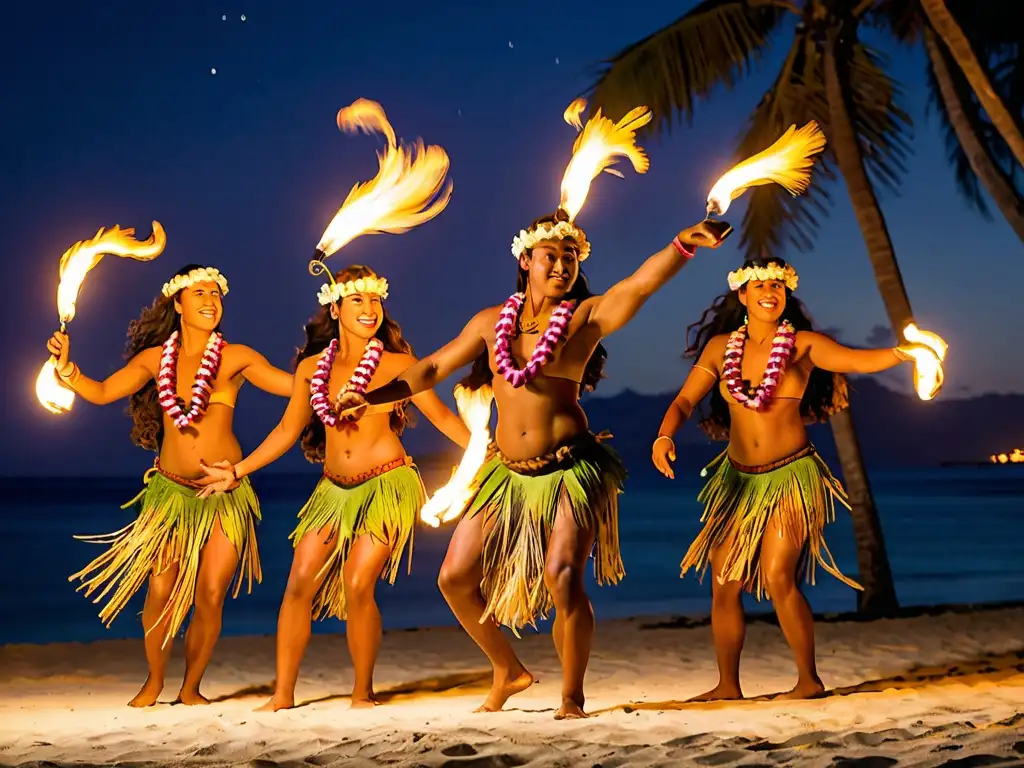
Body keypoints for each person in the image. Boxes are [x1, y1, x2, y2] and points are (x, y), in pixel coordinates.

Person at [652, 256, 931, 702]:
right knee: (724, 581)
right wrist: (665, 436)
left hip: (790, 476)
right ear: (743, 294)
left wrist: (905, 352)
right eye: (760, 285)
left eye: (778, 286)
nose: (770, 292)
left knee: (778, 574)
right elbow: (685, 400)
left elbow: (857, 360)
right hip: (737, 482)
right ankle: (727, 684)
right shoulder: (721, 348)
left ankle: (808, 680)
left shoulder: (802, 345)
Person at [198, 264, 471, 711]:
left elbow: (441, 417)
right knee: (298, 583)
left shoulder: (399, 364)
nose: (370, 308)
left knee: (358, 582)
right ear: (335, 307)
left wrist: (486, 451)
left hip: (387, 483)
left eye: (375, 300)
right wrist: (238, 470)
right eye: (358, 300)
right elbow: (287, 430)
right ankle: (282, 694)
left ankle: (362, 692)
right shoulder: (312, 369)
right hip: (332, 489)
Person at [46, 263, 293, 707]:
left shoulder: (236, 357)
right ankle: (155, 680)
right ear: (178, 303)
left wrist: (333, 369)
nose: (210, 301)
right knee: (161, 589)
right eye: (199, 293)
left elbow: (292, 387)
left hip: (225, 494)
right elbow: (102, 392)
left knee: (211, 594)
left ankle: (191, 686)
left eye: (216, 294)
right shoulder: (156, 359)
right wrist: (67, 370)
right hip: (171, 492)